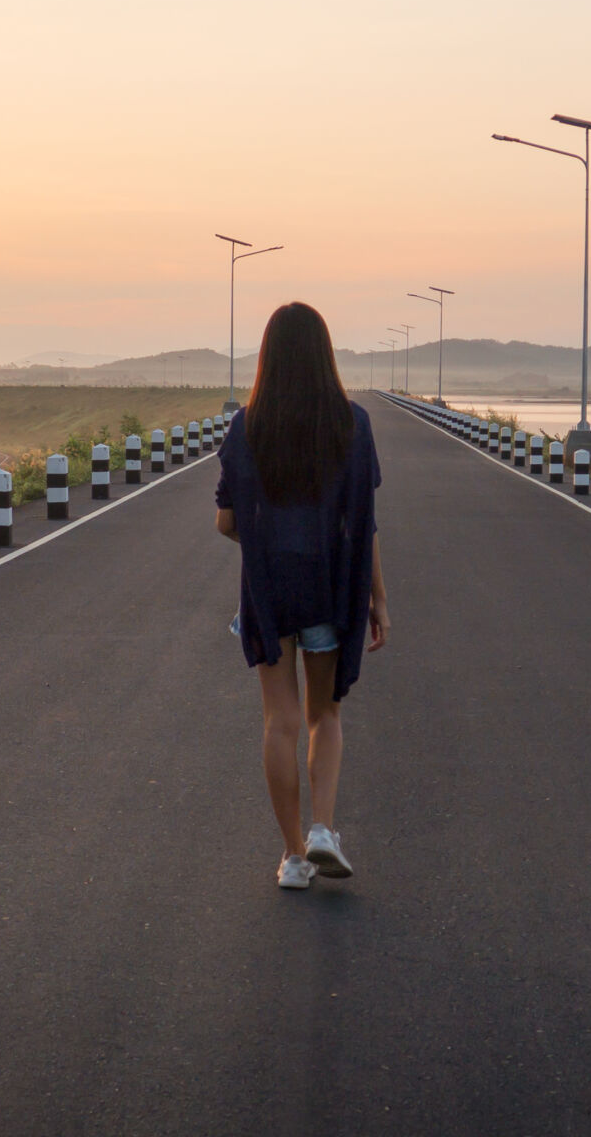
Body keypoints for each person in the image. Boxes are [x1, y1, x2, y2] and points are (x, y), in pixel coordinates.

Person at [214, 301, 389, 890]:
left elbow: (226, 521)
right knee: (325, 714)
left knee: (279, 722)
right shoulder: (353, 424)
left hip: (267, 591)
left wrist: (266, 537)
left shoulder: (246, 425)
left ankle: (292, 859)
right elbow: (363, 524)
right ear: (325, 355)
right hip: (329, 589)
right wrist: (377, 599)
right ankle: (323, 830)